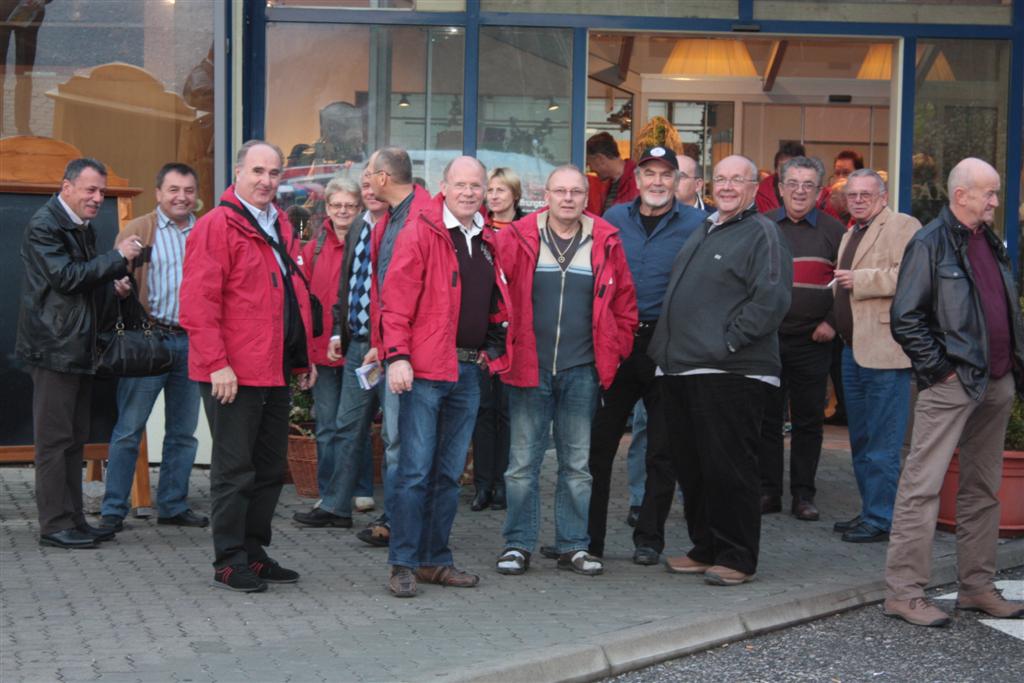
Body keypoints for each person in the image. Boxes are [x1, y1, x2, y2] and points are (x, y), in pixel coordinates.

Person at [883, 158, 1024, 626]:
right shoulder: (929, 242)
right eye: (989, 193)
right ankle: (904, 594)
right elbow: (906, 317)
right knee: (921, 488)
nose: (995, 201)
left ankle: (977, 588)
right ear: (960, 195)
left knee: (982, 489)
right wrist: (941, 371)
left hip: (996, 381)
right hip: (952, 384)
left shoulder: (991, 243)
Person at [179, 140, 316, 592]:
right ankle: (229, 559)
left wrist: (303, 358)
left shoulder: (276, 222)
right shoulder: (217, 225)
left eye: (274, 173)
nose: (266, 180)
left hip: (273, 367)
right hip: (232, 373)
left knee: (270, 468)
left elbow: (291, 298)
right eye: (257, 171)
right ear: (237, 173)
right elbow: (199, 303)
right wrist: (218, 363)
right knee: (234, 471)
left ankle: (254, 553)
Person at [649, 155, 792, 585]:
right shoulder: (707, 226)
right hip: (683, 370)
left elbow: (772, 299)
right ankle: (706, 547)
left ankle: (737, 555)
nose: (727, 186)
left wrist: (727, 342)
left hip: (730, 371)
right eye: (722, 179)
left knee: (729, 467)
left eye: (738, 179)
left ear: (755, 187)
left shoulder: (762, 232)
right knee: (694, 468)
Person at [494, 165, 637, 578]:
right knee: (522, 464)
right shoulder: (518, 237)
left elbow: (625, 303)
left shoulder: (604, 241)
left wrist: (614, 348)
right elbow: (497, 296)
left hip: (582, 370)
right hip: (528, 368)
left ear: (585, 197)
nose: (569, 198)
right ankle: (517, 544)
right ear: (547, 195)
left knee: (577, 466)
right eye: (561, 191)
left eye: (576, 192)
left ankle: (573, 545)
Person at [382, 156, 511, 598]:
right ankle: (402, 562)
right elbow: (394, 300)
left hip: (467, 370)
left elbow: (496, 301)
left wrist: (494, 347)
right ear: (444, 186)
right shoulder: (421, 230)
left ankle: (434, 560)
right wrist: (396, 355)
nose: (469, 192)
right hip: (422, 370)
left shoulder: (485, 239)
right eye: (461, 184)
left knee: (449, 474)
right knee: (415, 471)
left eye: (476, 185)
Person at [585, 145, 704, 566]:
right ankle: (589, 539)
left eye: (665, 175)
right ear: (636, 180)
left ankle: (649, 537)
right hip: (617, 344)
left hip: (668, 346)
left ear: (678, 181)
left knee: (662, 449)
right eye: (649, 174)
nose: (657, 182)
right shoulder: (613, 219)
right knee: (598, 446)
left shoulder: (697, 224)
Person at [17, 157, 140, 549]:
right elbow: (67, 278)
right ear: (66, 186)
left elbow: (82, 285)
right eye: (90, 190)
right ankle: (54, 525)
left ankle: (73, 519)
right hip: (54, 348)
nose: (97, 198)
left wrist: (112, 285)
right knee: (55, 441)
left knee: (74, 439)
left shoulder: (79, 226)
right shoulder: (45, 225)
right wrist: (117, 259)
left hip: (76, 347)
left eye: (101, 191)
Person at [99, 163, 207, 532]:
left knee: (183, 432)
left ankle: (173, 505)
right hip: (148, 339)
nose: (182, 197)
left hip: (191, 341)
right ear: (159, 193)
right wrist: (121, 287)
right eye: (174, 190)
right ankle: (113, 509)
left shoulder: (206, 230)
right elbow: (112, 278)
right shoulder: (139, 229)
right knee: (129, 428)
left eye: (188, 190)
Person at [831, 169, 921, 543]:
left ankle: (882, 518)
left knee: (883, 444)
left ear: (883, 196)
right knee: (862, 441)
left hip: (885, 352)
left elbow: (913, 277)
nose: (858, 200)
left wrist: (861, 279)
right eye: (852, 194)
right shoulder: (852, 231)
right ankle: (870, 511)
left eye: (866, 194)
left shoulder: (902, 225)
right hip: (852, 351)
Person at [757, 156, 846, 522]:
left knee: (809, 421)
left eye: (807, 185)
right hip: (768, 340)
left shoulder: (834, 230)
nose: (799, 191)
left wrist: (831, 322)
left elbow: (845, 284)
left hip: (814, 339)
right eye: (792, 183)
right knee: (767, 420)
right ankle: (768, 491)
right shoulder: (762, 227)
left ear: (820, 191)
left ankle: (803, 495)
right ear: (780, 188)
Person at [356, 146, 433, 548]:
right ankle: (397, 516)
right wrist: (379, 343)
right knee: (394, 439)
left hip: (416, 354)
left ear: (384, 177)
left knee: (405, 442)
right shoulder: (388, 219)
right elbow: (383, 288)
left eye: (370, 173)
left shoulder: (423, 218)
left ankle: (406, 524)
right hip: (393, 349)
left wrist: (397, 349)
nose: (366, 180)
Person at [291, 176, 375, 528]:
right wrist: (306, 355)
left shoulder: (368, 243)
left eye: (350, 206)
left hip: (358, 347)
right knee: (327, 425)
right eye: (337, 205)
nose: (343, 211)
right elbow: (304, 305)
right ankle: (329, 492)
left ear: (360, 209)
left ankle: (360, 488)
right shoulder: (314, 249)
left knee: (356, 423)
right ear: (327, 209)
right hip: (322, 353)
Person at [470, 167, 524, 512]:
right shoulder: (477, 229)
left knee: (508, 412)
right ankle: (482, 484)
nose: (493, 196)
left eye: (501, 190)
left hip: (514, 331)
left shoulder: (527, 230)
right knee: (483, 410)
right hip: (482, 331)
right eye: (490, 190)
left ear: (514, 195)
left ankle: (504, 482)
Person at [585, 132, 639, 215]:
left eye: (589, 164)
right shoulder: (608, 184)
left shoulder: (639, 181)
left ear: (600, 159)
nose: (590, 169)